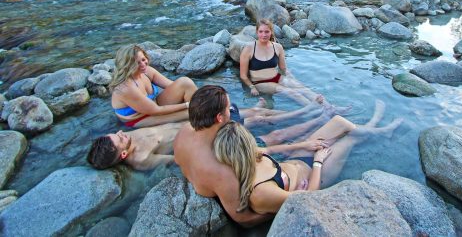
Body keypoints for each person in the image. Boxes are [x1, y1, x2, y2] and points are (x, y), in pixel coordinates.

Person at [174, 85, 338, 226]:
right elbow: (244, 219)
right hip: (270, 187)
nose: (231, 111)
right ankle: (319, 118)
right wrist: (280, 204)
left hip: (232, 166)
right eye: (228, 108)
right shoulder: (222, 169)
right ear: (219, 118)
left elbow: (178, 160)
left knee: (278, 138)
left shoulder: (185, 132)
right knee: (279, 138)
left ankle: (315, 117)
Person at [213, 102, 402, 215]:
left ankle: (375, 127)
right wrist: (319, 161)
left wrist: (303, 145)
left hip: (301, 159)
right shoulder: (260, 192)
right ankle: (380, 129)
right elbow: (309, 197)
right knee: (350, 138)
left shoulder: (248, 157)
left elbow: (270, 149)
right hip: (317, 176)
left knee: (339, 122)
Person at [88, 96, 330, 171]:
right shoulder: (142, 159)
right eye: (118, 138)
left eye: (116, 133)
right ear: (121, 155)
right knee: (274, 136)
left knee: (258, 116)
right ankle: (318, 118)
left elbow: (164, 119)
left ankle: (308, 112)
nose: (120, 133)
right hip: (212, 137)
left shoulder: (130, 133)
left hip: (203, 121)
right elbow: (181, 160)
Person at [239, 19, 345, 107]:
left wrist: (294, 80)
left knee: (303, 89)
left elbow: (284, 69)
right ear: (257, 32)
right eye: (261, 32)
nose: (264, 35)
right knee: (292, 93)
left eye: (267, 32)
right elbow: (243, 75)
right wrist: (251, 87)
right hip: (260, 82)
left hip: (276, 77)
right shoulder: (249, 48)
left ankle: (329, 107)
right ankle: (316, 110)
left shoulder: (278, 47)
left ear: (271, 32)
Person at [110, 44, 196, 128]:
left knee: (185, 82)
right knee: (193, 112)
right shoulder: (126, 88)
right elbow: (156, 110)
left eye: (143, 59)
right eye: (137, 63)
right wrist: (188, 105)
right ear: (128, 65)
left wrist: (201, 96)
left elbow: (174, 86)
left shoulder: (147, 72)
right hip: (139, 118)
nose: (143, 64)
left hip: (155, 105)